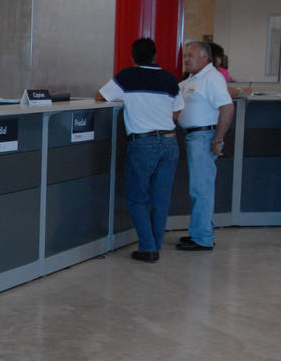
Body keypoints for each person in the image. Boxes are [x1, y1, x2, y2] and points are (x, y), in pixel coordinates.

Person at [95, 38, 184, 262]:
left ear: (132, 57)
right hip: (170, 142)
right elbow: (176, 112)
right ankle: (155, 246)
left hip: (143, 144)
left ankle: (148, 248)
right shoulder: (169, 78)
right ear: (155, 56)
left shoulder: (127, 76)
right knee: (161, 199)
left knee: (137, 198)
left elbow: (100, 96)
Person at [176, 41, 234, 251]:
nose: (186, 59)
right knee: (199, 188)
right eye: (185, 56)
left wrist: (217, 140)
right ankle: (200, 231)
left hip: (204, 137)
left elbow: (227, 108)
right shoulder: (192, 79)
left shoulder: (211, 78)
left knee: (202, 189)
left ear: (204, 57)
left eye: (190, 55)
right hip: (194, 137)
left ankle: (202, 238)